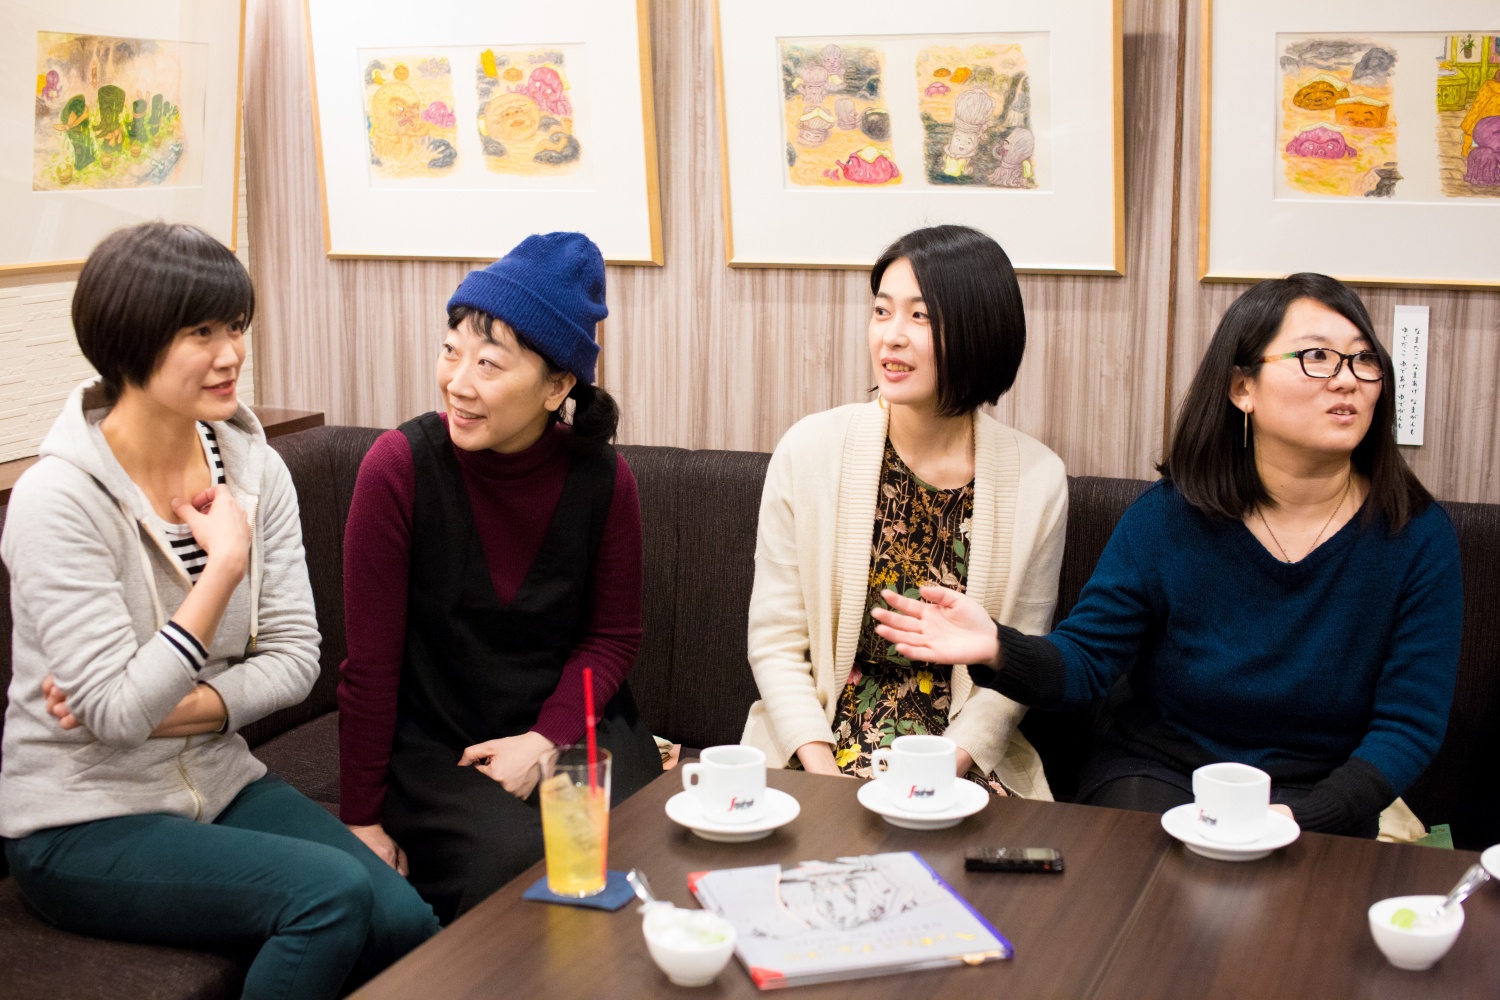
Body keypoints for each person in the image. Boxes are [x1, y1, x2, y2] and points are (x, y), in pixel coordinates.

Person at [0, 223, 438, 1000]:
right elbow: (113, 716)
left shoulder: (255, 468)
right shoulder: (57, 500)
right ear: (129, 341)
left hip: (219, 776)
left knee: (407, 922)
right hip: (80, 818)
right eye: (200, 332)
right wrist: (223, 570)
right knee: (328, 898)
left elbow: (295, 660)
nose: (231, 352)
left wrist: (157, 712)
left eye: (235, 326)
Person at [871, 273, 1462, 837]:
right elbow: (1086, 662)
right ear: (1242, 388)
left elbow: (1408, 725)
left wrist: (1308, 815)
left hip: (1317, 794)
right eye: (1317, 357)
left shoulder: (1416, 536)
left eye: (1363, 359)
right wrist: (999, 646)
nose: (1347, 380)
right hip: (1159, 775)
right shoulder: (1171, 516)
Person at [338, 232, 662, 923]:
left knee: (634, 846)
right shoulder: (398, 470)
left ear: (557, 387)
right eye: (450, 351)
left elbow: (611, 638)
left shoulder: (604, 480)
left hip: (572, 726)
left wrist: (544, 741)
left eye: (488, 363)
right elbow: (369, 665)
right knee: (517, 865)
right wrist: (360, 820)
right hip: (441, 743)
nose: (458, 382)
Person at [741, 224, 1067, 799]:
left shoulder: (1038, 479)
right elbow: (776, 642)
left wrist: (940, 771)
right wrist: (827, 783)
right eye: (881, 311)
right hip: (819, 747)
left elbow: (1016, 666)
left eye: (921, 317)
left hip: (961, 759)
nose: (891, 337)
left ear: (979, 330)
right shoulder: (809, 450)